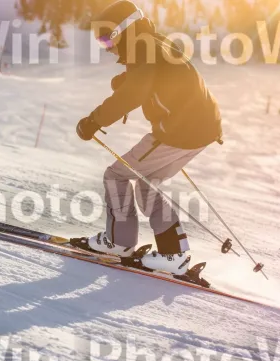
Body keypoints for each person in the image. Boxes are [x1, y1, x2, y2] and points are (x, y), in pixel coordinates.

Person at [75, 0, 223, 275]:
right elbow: (159, 79)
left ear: (124, 30)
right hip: (202, 130)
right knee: (146, 183)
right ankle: (173, 253)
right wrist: (128, 79)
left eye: (108, 39)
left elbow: (135, 93)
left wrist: (93, 121)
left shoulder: (143, 49)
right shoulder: (154, 44)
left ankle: (121, 243)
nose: (107, 47)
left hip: (178, 131)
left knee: (116, 176)